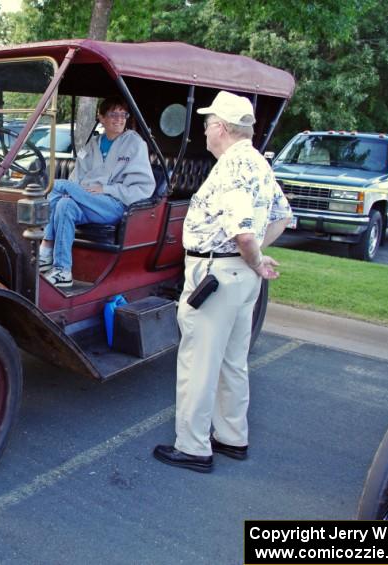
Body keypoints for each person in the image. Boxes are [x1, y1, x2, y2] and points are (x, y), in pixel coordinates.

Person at [153, 90, 292, 473]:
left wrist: (254, 254)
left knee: (199, 362)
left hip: (216, 274)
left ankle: (194, 447)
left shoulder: (233, 168)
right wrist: (256, 260)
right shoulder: (258, 163)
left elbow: (244, 233)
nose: (204, 132)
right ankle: (232, 437)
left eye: (207, 124)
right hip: (241, 276)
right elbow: (282, 214)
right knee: (232, 360)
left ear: (222, 128)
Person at [39, 97, 156, 288]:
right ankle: (62, 271)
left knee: (58, 185)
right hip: (87, 200)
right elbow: (77, 177)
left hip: (115, 204)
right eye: (113, 114)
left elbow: (142, 189)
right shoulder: (93, 144)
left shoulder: (135, 143)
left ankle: (46, 245)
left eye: (123, 114)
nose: (119, 119)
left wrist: (106, 189)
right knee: (64, 204)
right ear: (101, 117)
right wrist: (77, 192)